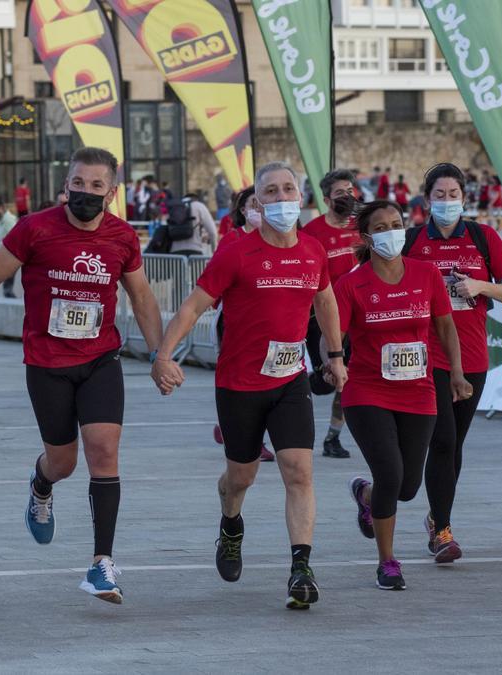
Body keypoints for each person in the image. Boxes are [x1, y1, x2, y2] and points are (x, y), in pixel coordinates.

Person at [0, 147, 164, 604]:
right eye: (79, 183)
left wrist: (159, 354)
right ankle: (41, 484)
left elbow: (142, 296)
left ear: (112, 193)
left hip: (100, 359)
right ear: (66, 184)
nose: (86, 193)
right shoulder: (34, 229)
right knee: (64, 462)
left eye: (97, 186)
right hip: (47, 364)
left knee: (104, 450)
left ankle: (101, 565)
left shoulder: (122, 237)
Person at [150, 161, 348, 610]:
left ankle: (301, 568)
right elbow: (193, 306)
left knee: (299, 471)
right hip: (239, 385)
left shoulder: (313, 251)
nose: (282, 199)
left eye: (288, 190)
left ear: (301, 197)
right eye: (272, 193)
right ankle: (231, 525)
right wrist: (163, 356)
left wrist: (334, 357)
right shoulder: (237, 252)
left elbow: (326, 301)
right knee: (241, 477)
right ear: (257, 203)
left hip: (289, 379)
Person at [335, 199, 471, 590]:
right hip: (367, 391)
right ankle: (387, 561)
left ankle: (367, 495)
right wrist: (330, 363)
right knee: (391, 473)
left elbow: (446, 328)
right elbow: (336, 334)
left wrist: (457, 374)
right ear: (366, 237)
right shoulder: (351, 283)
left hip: (419, 390)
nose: (391, 232)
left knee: (407, 487)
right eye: (381, 227)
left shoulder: (426, 274)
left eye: (396, 224)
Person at [403, 162, 502, 563]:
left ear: (464, 199)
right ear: (426, 200)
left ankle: (437, 516)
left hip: (472, 355)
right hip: (426, 357)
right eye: (440, 195)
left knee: (455, 447)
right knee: (443, 440)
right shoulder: (412, 240)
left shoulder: (482, 237)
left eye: (454, 195)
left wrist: (480, 285)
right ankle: (442, 532)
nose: (447, 202)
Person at [301, 170, 363, 459]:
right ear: (326, 199)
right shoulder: (312, 232)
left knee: (347, 378)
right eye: (340, 193)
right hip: (321, 318)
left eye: (350, 191)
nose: (347, 197)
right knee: (325, 382)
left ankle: (332, 438)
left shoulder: (361, 227)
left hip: (357, 316)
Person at [210, 187, 275, 462]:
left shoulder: (280, 240)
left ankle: (231, 428)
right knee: (242, 379)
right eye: (254, 204)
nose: (259, 210)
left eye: (264, 204)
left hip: (270, 324)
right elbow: (213, 280)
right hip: (235, 321)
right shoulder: (232, 239)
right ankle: (248, 437)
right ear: (243, 210)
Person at [169, 192, 219, 257]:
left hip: (175, 253)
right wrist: (214, 251)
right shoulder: (199, 206)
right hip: (195, 250)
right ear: (196, 199)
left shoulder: (175, 208)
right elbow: (213, 232)